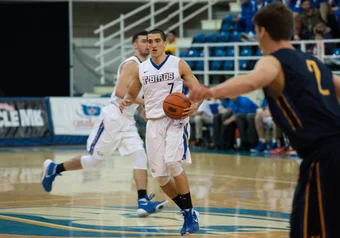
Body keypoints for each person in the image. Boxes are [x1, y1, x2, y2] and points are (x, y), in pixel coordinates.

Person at [190, 2, 337, 237]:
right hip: (330, 150)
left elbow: (253, 80)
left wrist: (210, 92)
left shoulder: (273, 61)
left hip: (325, 155)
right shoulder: (314, 62)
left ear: (262, 32)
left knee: (309, 229)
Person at [41, 30, 168, 217]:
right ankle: (54, 168)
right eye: (143, 41)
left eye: (149, 42)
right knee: (93, 161)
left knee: (140, 156)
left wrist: (142, 110)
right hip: (114, 117)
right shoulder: (132, 64)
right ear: (135, 45)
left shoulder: (145, 67)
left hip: (127, 119)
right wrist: (147, 103)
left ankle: (142, 202)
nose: (147, 45)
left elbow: (136, 96)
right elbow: (119, 92)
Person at [120, 29, 201, 236]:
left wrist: (196, 104)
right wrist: (127, 100)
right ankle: (186, 211)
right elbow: (131, 91)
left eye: (157, 41)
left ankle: (190, 214)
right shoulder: (142, 69)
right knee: (160, 176)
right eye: (149, 42)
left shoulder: (179, 64)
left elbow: (197, 89)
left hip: (177, 120)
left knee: (173, 163)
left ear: (165, 43)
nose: (153, 44)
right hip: (153, 123)